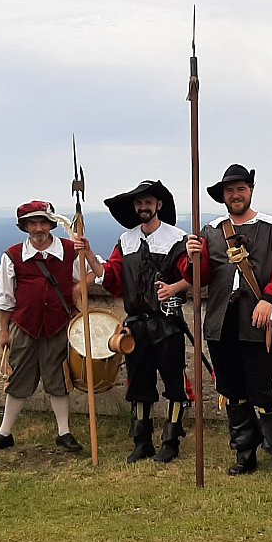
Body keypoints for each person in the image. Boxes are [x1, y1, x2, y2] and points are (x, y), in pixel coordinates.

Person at [183, 164, 272, 484]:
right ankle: (244, 452)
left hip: (257, 322)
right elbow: (199, 278)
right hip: (221, 322)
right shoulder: (210, 231)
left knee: (264, 390)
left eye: (241, 189)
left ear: (251, 191)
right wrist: (191, 257)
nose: (236, 195)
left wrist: (269, 299)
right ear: (223, 196)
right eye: (230, 190)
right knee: (232, 390)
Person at [0, 201, 95, 457]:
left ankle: (64, 432)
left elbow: (93, 271)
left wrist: (78, 288)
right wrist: (4, 332)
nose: (39, 228)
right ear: (25, 227)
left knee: (58, 378)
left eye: (43, 222)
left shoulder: (69, 250)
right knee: (18, 378)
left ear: (51, 225)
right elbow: (5, 297)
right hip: (24, 326)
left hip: (59, 325)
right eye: (33, 223)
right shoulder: (13, 255)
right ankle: (4, 434)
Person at [99, 181, 193, 463]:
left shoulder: (177, 238)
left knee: (174, 383)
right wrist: (89, 256)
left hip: (167, 323)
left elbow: (193, 275)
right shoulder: (125, 240)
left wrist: (175, 286)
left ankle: (171, 441)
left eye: (148, 202)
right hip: (136, 325)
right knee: (139, 383)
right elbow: (114, 278)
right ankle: (142, 442)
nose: (143, 207)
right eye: (139, 203)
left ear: (158, 205)